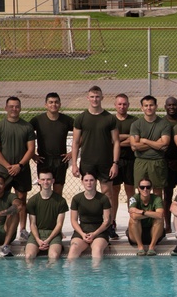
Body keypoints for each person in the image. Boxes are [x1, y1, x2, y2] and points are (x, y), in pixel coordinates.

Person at [70, 86, 120, 239]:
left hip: (105, 162)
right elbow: (76, 142)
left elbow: (116, 141)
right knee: (89, 193)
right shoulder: (81, 118)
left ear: (102, 98)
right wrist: (74, 163)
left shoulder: (110, 118)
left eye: (97, 97)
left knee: (107, 194)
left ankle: (110, 225)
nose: (95, 99)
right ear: (88, 98)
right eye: (92, 97)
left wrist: (115, 163)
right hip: (87, 163)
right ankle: (86, 225)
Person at [0, 96, 36, 239]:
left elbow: (31, 149)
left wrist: (19, 165)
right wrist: (8, 166)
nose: (14, 109)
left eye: (17, 106)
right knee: (2, 198)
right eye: (11, 106)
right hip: (4, 171)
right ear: (6, 108)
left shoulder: (27, 127)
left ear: (20, 108)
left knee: (21, 199)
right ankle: (1, 228)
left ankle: (22, 229)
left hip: (21, 170)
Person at [129, 95, 171, 229]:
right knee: (141, 191)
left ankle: (158, 222)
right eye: (146, 105)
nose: (149, 108)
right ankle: (141, 221)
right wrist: (155, 143)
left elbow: (164, 144)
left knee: (158, 193)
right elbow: (134, 146)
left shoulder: (163, 124)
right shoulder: (136, 124)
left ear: (156, 107)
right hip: (141, 161)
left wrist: (145, 140)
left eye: (151, 105)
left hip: (157, 162)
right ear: (142, 108)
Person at [30, 92, 74, 196]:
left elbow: (82, 134)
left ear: (60, 104)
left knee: (58, 192)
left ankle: (57, 212)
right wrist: (32, 155)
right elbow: (25, 136)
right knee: (44, 192)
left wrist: (72, 152)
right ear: (46, 105)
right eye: (50, 102)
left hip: (60, 160)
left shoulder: (67, 120)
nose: (53, 105)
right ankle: (45, 212)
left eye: (56, 102)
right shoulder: (37, 120)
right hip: (43, 160)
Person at [23, 169, 68, 263]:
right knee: (28, 256)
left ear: (53, 181)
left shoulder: (61, 201)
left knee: (54, 256)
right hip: (37, 234)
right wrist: (38, 239)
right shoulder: (32, 201)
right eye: (43, 179)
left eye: (48, 179)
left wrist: (48, 240)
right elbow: (33, 224)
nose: (45, 182)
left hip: (53, 234)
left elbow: (59, 225)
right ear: (39, 181)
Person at [67, 171, 111, 262]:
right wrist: (82, 234)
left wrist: (94, 233)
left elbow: (107, 221)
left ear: (95, 181)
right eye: (86, 180)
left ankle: (95, 275)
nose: (89, 183)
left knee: (97, 250)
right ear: (82, 182)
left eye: (91, 180)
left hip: (99, 231)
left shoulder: (103, 198)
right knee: (73, 249)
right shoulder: (77, 198)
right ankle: (75, 275)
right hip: (82, 230)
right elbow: (73, 220)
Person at [109, 93, 137, 239]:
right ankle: (112, 223)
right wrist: (127, 137)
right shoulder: (110, 120)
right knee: (114, 192)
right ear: (115, 105)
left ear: (128, 105)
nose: (122, 106)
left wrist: (117, 140)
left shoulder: (134, 121)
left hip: (131, 160)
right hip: (115, 161)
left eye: (124, 104)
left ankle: (132, 223)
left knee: (130, 192)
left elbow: (135, 140)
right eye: (119, 104)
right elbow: (108, 140)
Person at [161, 96, 177, 229]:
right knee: (167, 194)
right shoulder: (161, 122)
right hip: (166, 162)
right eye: (169, 105)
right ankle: (167, 224)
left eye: (174, 105)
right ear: (165, 107)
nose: (171, 107)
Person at [127, 176, 165, 255]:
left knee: (160, 219)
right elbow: (134, 216)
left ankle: (152, 247)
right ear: (138, 188)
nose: (145, 189)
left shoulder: (156, 199)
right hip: (136, 234)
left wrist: (142, 212)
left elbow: (160, 215)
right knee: (133, 220)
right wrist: (151, 213)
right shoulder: (134, 198)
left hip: (153, 233)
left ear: (151, 188)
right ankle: (140, 247)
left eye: (148, 187)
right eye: (142, 187)